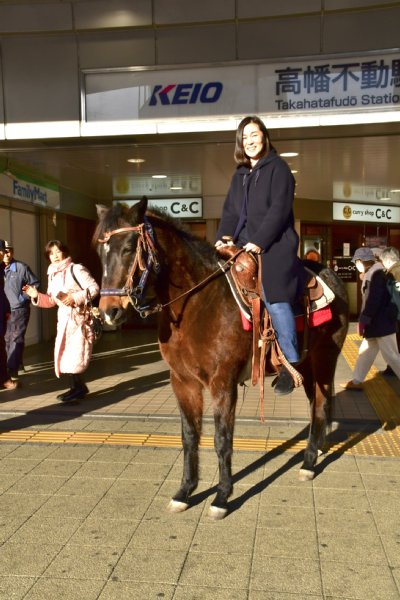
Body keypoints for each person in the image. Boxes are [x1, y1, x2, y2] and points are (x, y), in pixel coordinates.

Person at [215, 115, 305, 395]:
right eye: (245, 137)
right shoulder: (240, 174)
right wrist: (224, 235)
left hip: (275, 244)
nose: (250, 141)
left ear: (265, 136)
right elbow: (230, 211)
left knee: (274, 295)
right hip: (243, 244)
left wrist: (259, 241)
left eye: (255, 135)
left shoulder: (279, 169)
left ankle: (291, 363)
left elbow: (279, 211)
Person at [23, 240, 99, 402]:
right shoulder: (52, 274)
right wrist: (36, 295)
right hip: (64, 320)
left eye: (57, 251)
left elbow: (94, 288)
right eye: (51, 253)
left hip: (79, 319)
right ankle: (77, 387)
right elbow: (52, 301)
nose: (55, 256)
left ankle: (78, 388)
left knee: (76, 355)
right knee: (66, 355)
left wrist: (74, 297)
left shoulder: (76, 269)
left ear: (64, 252)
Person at [341, 246, 400, 391]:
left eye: (357, 262)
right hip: (377, 323)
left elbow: (374, 299)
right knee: (365, 352)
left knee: (392, 356)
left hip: (382, 323)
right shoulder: (374, 272)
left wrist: (364, 318)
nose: (356, 265)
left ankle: (356, 381)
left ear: (362, 261)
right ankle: (356, 381)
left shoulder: (376, 274)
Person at [3, 241, 40, 387]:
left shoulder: (21, 268)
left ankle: (11, 370)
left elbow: (35, 284)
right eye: (4, 251)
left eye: (9, 251)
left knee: (16, 337)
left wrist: (22, 298)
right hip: (4, 310)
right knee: (6, 338)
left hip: (19, 309)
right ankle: (15, 363)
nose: (7, 254)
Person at [379, 246, 400, 376]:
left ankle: (393, 367)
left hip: (397, 314)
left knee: (396, 342)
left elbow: (395, 296)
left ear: (387, 260)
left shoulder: (395, 272)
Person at [0, 240, 16, 391]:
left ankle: (4, 378)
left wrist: (7, 310)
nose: (3, 254)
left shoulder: (2, 269)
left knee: (1, 347)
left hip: (1, 313)